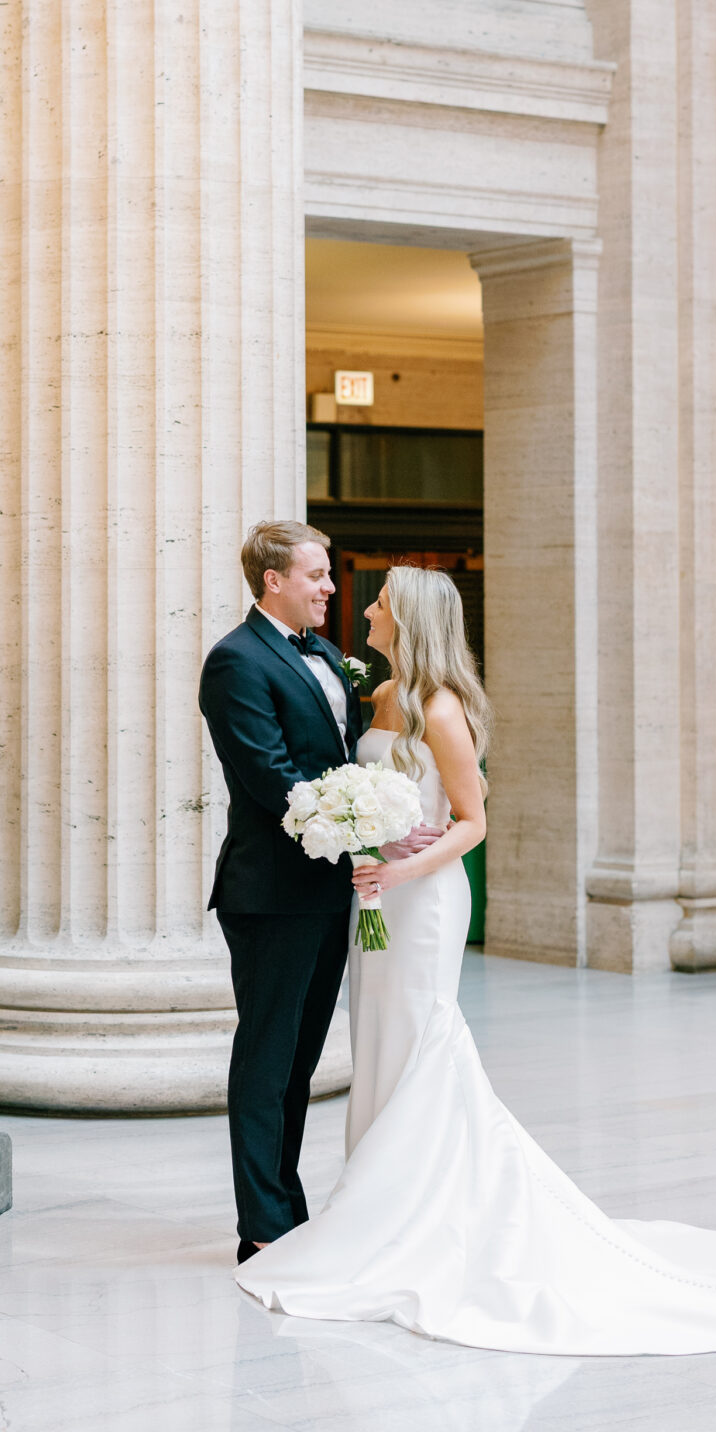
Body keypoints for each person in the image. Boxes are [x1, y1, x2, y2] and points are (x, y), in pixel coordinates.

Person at [236, 565, 716, 1354]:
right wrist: (360, 844)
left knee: (418, 1038)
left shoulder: (439, 710)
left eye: (376, 601)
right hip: (375, 898)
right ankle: (372, 1204)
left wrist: (401, 867)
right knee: (378, 1043)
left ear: (405, 618)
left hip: (423, 899)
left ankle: (417, 1212)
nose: (364, 608)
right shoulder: (379, 697)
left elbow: (471, 821)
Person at [198, 521, 441, 1266]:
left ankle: (288, 1207)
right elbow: (276, 783)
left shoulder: (328, 657)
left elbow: (338, 759)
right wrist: (375, 833)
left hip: (326, 887)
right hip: (269, 891)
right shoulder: (235, 662)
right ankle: (263, 1226)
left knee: (300, 1061)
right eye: (316, 575)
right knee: (269, 1059)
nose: (331, 589)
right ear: (273, 580)